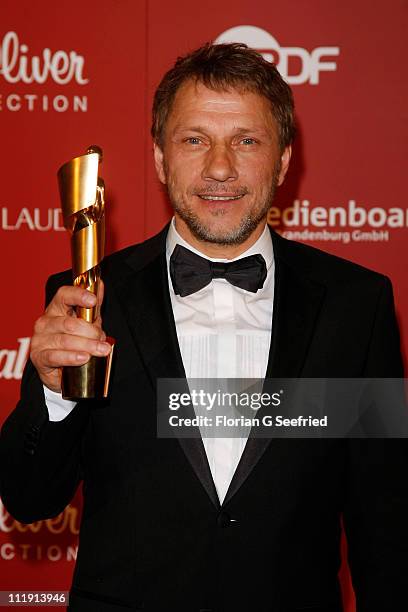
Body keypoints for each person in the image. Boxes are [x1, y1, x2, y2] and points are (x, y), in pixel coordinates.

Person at [0, 43, 407, 612]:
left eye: (246, 140)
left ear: (284, 160)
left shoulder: (355, 305)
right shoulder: (88, 298)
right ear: (161, 159)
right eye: (195, 140)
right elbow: (29, 498)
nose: (220, 167)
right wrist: (50, 392)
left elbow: (384, 520)